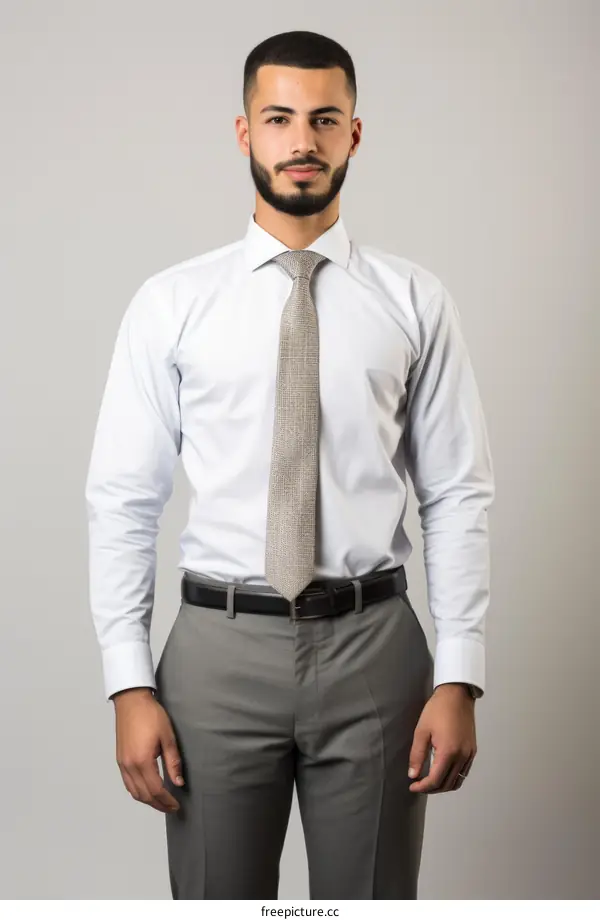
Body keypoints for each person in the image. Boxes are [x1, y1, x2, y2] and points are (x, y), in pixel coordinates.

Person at [85, 29, 495, 900]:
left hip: (374, 649)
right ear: (245, 132)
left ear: (354, 134)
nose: (301, 141)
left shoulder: (415, 301)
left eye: (324, 119)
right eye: (278, 119)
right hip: (217, 655)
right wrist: (128, 685)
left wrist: (460, 673)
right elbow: (123, 501)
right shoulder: (172, 304)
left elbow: (457, 492)